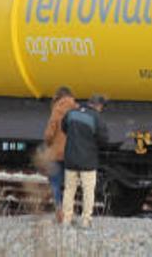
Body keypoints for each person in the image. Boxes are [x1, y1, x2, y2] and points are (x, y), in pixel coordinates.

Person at [61, 94, 109, 229]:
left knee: (69, 189)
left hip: (70, 158)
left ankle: (66, 219)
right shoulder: (96, 118)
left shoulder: (71, 113)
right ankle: (86, 220)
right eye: (102, 107)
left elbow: (64, 128)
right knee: (88, 190)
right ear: (98, 105)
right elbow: (104, 139)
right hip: (88, 161)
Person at [43, 87, 78, 223]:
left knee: (55, 183)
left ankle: (59, 209)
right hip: (72, 153)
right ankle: (69, 212)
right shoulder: (77, 109)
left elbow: (49, 133)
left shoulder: (57, 110)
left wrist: (48, 142)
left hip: (56, 153)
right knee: (70, 184)